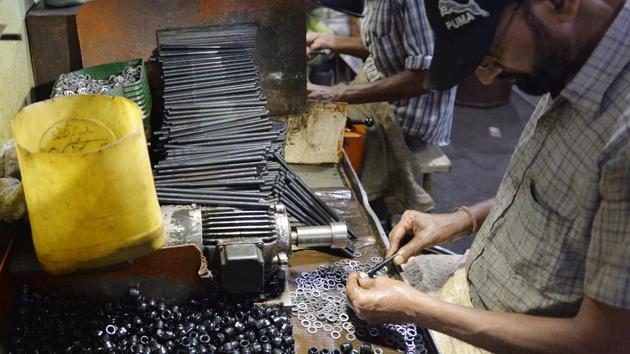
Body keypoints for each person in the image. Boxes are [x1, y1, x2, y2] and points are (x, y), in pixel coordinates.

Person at [346, 0, 630, 352]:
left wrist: (417, 309)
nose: (484, 77)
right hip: (473, 280)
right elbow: (561, 196)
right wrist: (461, 220)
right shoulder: (573, 56)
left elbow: (604, 341)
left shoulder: (623, 134)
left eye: (491, 53)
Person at [307, 0, 457, 215]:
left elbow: (427, 75)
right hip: (372, 83)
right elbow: (387, 46)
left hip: (405, 116)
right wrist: (330, 41)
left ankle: (369, 212)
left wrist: (339, 94)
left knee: (319, 138)